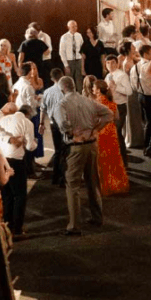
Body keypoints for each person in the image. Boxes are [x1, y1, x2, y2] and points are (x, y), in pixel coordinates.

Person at [51, 76, 114, 235]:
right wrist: (96, 129)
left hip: (76, 147)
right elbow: (109, 114)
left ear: (62, 89)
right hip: (92, 144)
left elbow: (63, 125)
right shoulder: (88, 101)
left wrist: (71, 134)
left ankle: (74, 226)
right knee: (93, 182)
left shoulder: (62, 105)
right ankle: (97, 217)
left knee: (72, 186)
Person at [0, 103, 36, 237]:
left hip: (2, 160)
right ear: (28, 115)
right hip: (16, 161)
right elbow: (31, 146)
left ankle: (7, 225)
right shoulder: (27, 123)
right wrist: (33, 142)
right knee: (20, 195)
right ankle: (17, 228)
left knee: (6, 194)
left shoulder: (3, 120)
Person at [89, 79, 129, 195]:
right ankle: (116, 183)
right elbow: (117, 117)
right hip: (111, 131)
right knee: (113, 158)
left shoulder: (96, 103)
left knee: (102, 159)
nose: (92, 89)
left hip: (101, 131)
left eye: (94, 87)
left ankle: (105, 185)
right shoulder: (112, 102)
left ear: (98, 90)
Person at [39, 68, 68, 187]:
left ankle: (55, 177)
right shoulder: (64, 91)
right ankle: (63, 178)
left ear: (51, 79)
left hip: (52, 123)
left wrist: (41, 124)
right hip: (64, 123)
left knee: (57, 150)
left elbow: (43, 109)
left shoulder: (47, 92)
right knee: (65, 150)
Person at [104, 55, 131, 164]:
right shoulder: (107, 76)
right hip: (110, 107)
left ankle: (124, 161)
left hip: (120, 107)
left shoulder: (122, 75)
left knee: (117, 132)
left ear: (117, 63)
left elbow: (129, 91)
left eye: (112, 62)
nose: (110, 65)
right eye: (108, 63)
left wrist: (116, 87)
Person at [60, 20, 85, 88]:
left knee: (79, 79)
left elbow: (82, 49)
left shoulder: (79, 35)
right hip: (69, 60)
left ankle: (79, 95)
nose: (75, 28)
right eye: (73, 26)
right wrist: (66, 65)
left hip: (78, 60)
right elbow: (62, 52)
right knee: (69, 80)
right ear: (69, 27)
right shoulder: (64, 37)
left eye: (76, 26)